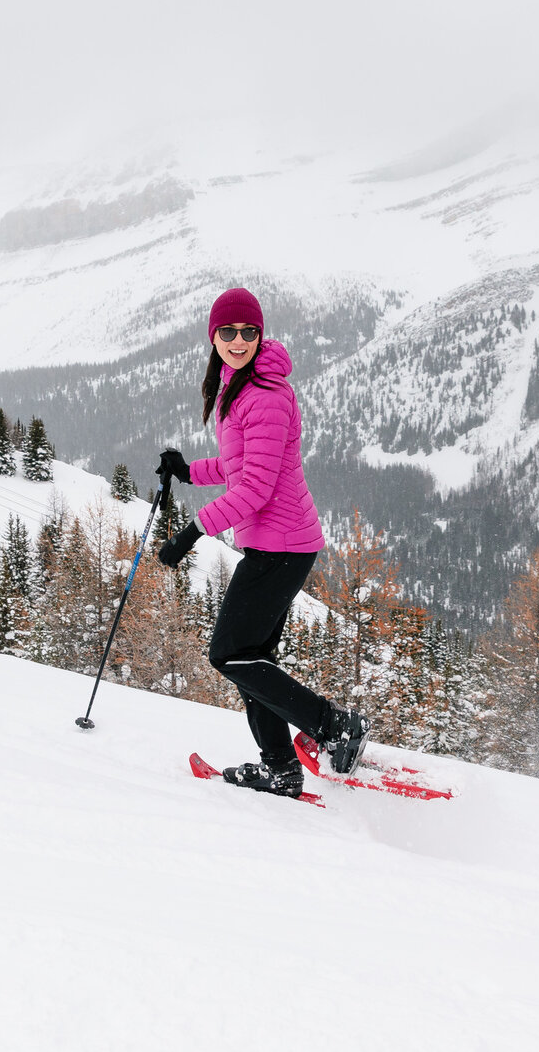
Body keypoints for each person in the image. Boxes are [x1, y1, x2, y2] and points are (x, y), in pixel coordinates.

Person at [152, 287, 369, 797]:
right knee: (252, 659)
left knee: (228, 653)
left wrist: (191, 532)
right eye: (227, 332)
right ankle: (279, 767)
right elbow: (238, 467)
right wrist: (187, 470)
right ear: (213, 337)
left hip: (284, 547)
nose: (238, 340)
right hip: (276, 545)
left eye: (248, 332)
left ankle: (335, 725)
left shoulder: (266, 396)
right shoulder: (240, 386)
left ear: (260, 335)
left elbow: (254, 490)